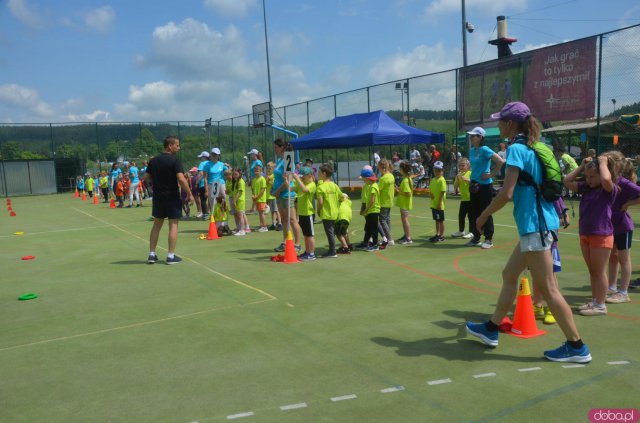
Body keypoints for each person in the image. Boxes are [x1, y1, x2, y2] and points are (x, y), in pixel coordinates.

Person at [466, 101, 591, 363]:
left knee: (549, 288)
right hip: (539, 223)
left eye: (500, 121)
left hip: (536, 226)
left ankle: (576, 346)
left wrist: (483, 215)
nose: (497, 125)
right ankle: (491, 329)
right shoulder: (537, 147)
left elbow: (507, 193)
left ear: (510, 124)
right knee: (509, 274)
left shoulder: (517, 150)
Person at [564, 154, 618, 316]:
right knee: (593, 271)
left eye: (593, 176)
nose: (589, 180)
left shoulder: (608, 189)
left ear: (602, 173)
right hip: (585, 234)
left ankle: (600, 305)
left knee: (599, 271)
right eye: (587, 177)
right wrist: (581, 167)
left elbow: (607, 180)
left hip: (601, 234)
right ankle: (595, 300)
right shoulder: (586, 188)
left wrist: (602, 163)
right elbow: (566, 181)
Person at [146, 136, 194, 265]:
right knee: (173, 224)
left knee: (156, 225)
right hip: (171, 195)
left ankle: (151, 254)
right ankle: (171, 256)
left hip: (158, 196)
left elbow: (146, 177)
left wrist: (156, 184)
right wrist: (190, 194)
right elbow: (181, 179)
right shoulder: (175, 160)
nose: (179, 148)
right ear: (170, 146)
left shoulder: (153, 161)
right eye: (177, 145)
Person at [602, 151, 640, 304]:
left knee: (624, 259)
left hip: (623, 227)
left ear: (616, 165)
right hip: (610, 226)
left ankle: (623, 292)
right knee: (613, 257)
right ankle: (612, 287)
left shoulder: (623, 182)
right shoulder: (607, 180)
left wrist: (627, 204)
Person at [466, 126, 505, 249]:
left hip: (485, 186)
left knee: (485, 211)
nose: (471, 137)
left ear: (480, 137)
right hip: (474, 185)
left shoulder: (485, 149)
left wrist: (491, 174)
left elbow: (500, 161)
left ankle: (488, 239)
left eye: (473, 136)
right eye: (471, 135)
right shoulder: (472, 150)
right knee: (474, 213)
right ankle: (476, 237)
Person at [272, 138, 302, 252]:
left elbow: (288, 180)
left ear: (282, 148)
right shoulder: (280, 160)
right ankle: (285, 242)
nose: (274, 150)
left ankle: (297, 244)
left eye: (276, 147)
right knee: (284, 219)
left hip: (286, 194)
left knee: (293, 219)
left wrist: (278, 191)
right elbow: (279, 177)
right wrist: (274, 190)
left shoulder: (288, 161)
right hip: (279, 195)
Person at [315, 164, 343, 258]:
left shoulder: (320, 187)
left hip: (327, 213)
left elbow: (320, 202)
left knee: (330, 232)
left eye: (319, 172)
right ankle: (333, 249)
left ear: (324, 173)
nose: (318, 174)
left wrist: (318, 210)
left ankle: (332, 251)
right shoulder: (334, 185)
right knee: (332, 231)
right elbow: (342, 197)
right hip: (335, 212)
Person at [292, 167, 317, 260]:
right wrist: (286, 179)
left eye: (303, 176)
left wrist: (297, 179)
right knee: (306, 235)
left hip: (308, 213)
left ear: (310, 175)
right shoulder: (302, 184)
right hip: (301, 213)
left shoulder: (312, 184)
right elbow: (291, 188)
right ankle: (307, 251)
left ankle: (311, 253)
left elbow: (305, 190)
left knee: (310, 234)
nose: (302, 178)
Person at [358, 167, 381, 252]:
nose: (363, 180)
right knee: (368, 228)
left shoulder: (373, 187)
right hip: (371, 210)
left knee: (374, 228)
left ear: (367, 178)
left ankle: (375, 245)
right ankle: (365, 242)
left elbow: (372, 200)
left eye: (363, 178)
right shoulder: (370, 185)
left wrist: (366, 210)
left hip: (374, 210)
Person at [203, 148, 229, 217]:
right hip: (213, 184)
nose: (215, 156)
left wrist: (228, 167)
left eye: (216, 154)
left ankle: (223, 217)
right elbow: (205, 178)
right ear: (210, 155)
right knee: (213, 202)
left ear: (219, 155)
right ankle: (214, 219)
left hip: (221, 183)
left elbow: (228, 173)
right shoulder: (207, 165)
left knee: (223, 198)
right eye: (213, 154)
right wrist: (206, 190)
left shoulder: (222, 164)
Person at [452, 158, 474, 239]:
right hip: (464, 199)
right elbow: (455, 186)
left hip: (471, 199)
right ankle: (461, 231)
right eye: (460, 165)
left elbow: (475, 182)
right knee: (461, 216)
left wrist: (468, 179)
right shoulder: (459, 175)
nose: (461, 167)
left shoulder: (470, 173)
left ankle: (472, 232)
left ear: (467, 166)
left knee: (471, 217)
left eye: (463, 165)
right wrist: (457, 179)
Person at [377, 159, 395, 248]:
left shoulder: (383, 178)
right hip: (389, 201)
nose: (378, 169)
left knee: (382, 220)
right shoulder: (391, 176)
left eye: (379, 168)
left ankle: (389, 239)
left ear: (382, 168)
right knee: (387, 220)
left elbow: (378, 190)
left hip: (383, 202)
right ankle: (388, 237)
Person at [395, 161, 414, 245]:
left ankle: (408, 238)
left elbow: (408, 193)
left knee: (405, 220)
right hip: (404, 203)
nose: (399, 170)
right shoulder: (408, 178)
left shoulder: (406, 180)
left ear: (403, 169)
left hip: (404, 204)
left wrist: (398, 191)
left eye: (400, 168)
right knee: (404, 220)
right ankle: (406, 235)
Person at [428, 161, 447, 243]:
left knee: (441, 220)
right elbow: (431, 189)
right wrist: (431, 194)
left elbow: (442, 192)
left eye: (439, 170)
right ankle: (437, 234)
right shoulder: (433, 180)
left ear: (442, 171)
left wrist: (439, 203)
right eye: (436, 170)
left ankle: (441, 236)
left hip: (439, 204)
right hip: (434, 204)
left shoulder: (442, 180)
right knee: (436, 220)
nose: (437, 172)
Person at [251, 163, 268, 232]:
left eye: (257, 171)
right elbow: (253, 189)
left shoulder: (262, 179)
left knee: (262, 213)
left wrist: (257, 197)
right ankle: (261, 225)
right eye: (255, 171)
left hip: (261, 199)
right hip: (257, 199)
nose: (256, 172)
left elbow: (263, 189)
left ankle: (264, 227)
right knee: (259, 213)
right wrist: (253, 196)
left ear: (261, 172)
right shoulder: (254, 180)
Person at [230, 168, 247, 236]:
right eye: (233, 174)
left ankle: (242, 230)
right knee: (238, 215)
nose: (234, 175)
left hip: (240, 200)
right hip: (237, 200)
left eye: (236, 174)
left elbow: (240, 192)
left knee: (240, 215)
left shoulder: (241, 181)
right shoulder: (236, 181)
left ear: (240, 174)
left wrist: (234, 200)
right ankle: (239, 229)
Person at [265, 162, 282, 231]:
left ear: (273, 169)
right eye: (268, 168)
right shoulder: (268, 176)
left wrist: (269, 182)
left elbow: (275, 184)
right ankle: (273, 223)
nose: (268, 170)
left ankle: (280, 223)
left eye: (270, 168)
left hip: (274, 195)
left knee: (276, 210)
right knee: (272, 211)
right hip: (269, 196)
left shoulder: (274, 175)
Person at [195, 151, 210, 219]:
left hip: (203, 184)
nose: (200, 159)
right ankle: (212, 214)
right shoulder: (211, 163)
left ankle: (205, 215)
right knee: (211, 200)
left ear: (204, 157)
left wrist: (196, 182)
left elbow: (201, 174)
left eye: (201, 157)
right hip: (211, 183)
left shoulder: (202, 163)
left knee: (203, 200)